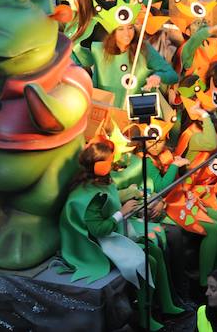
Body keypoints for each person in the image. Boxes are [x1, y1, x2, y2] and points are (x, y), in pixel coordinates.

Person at [59, 137, 183, 332]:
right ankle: (145, 316)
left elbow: (115, 194)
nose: (115, 163)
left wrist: (135, 194)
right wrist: (121, 213)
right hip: (98, 245)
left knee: (155, 251)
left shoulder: (101, 182)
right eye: (110, 160)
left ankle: (166, 303)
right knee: (146, 261)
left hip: (114, 233)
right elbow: (98, 230)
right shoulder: (90, 196)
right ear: (100, 166)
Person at [77, 0, 177, 108]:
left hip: (134, 114)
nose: (127, 34)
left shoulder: (143, 49)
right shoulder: (97, 50)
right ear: (112, 32)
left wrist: (159, 77)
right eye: (120, 29)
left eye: (130, 28)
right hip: (104, 113)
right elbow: (76, 57)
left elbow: (173, 76)